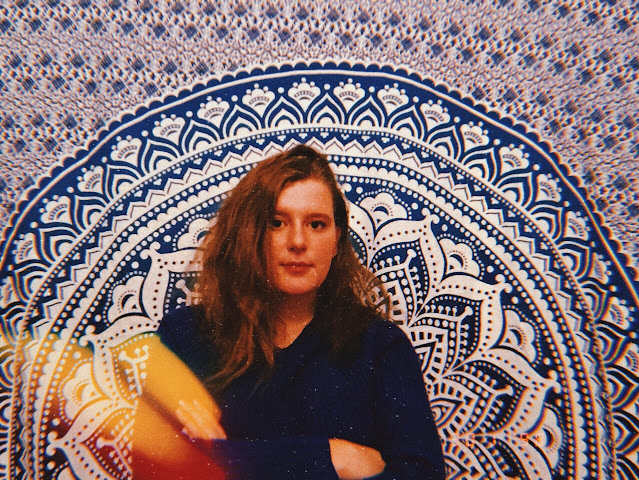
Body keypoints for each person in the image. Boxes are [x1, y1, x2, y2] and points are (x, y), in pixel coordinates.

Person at [132, 145, 446, 479]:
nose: (297, 241)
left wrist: (220, 458)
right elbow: (151, 473)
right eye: (277, 222)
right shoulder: (184, 336)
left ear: (337, 239)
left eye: (316, 224)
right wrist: (336, 457)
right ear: (249, 233)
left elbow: (422, 475)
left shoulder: (380, 347)